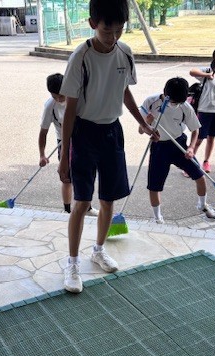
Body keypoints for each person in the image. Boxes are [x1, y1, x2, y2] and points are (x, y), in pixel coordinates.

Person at [58, 0, 158, 294]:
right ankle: (72, 263)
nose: (113, 37)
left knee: (108, 200)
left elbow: (124, 91)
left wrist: (142, 123)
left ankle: (98, 250)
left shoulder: (124, 52)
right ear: (93, 24)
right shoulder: (81, 57)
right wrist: (64, 155)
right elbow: (70, 110)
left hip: (112, 132)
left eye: (119, 30)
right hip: (84, 133)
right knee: (81, 203)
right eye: (106, 30)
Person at [139, 77, 215, 223]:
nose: (175, 105)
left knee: (200, 176)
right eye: (173, 102)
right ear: (165, 93)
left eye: (179, 102)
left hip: (179, 145)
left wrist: (191, 148)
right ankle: (157, 218)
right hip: (159, 147)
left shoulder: (185, 106)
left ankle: (202, 205)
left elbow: (195, 129)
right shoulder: (150, 102)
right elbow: (140, 130)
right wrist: (147, 124)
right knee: (154, 186)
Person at [39, 73, 98, 216]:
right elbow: (43, 132)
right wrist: (42, 155)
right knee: (66, 177)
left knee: (86, 174)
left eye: (61, 95)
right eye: (55, 96)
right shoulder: (50, 106)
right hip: (63, 142)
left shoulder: (77, 98)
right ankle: (67, 210)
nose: (59, 99)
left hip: (83, 139)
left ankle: (87, 208)